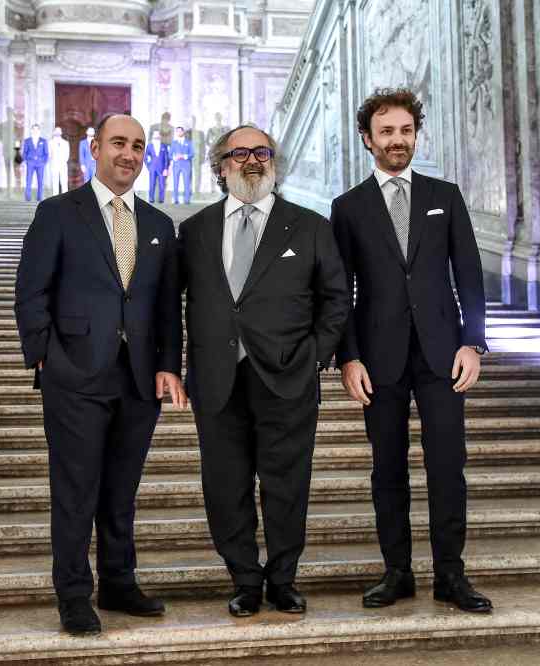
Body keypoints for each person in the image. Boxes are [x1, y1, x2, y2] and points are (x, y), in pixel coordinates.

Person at [14, 114, 186, 636]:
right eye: (118, 143)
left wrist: (167, 366)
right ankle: (72, 594)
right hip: (76, 375)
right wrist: (43, 354)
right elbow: (31, 290)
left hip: (137, 380)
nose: (129, 154)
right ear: (94, 148)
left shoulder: (159, 225)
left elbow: (165, 307)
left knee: (121, 489)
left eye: (137, 146)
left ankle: (118, 581)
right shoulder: (58, 213)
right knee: (75, 489)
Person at [330, 87, 492, 613]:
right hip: (380, 359)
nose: (397, 141)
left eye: (405, 131)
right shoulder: (347, 207)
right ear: (367, 139)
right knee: (388, 468)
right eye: (386, 132)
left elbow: (467, 271)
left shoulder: (444, 195)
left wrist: (474, 341)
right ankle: (397, 571)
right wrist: (348, 356)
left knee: (448, 465)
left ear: (415, 134)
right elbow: (341, 291)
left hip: (443, 355)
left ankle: (451, 574)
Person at [178, 125, 349, 618]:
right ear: (221, 165)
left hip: (287, 377)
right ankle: (244, 581)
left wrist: (315, 354)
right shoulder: (195, 231)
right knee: (225, 486)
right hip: (217, 379)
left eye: (261, 152)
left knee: (287, 485)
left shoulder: (311, 226)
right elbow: (171, 304)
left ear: (273, 161)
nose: (251, 161)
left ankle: (283, 580)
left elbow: (335, 298)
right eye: (239, 154)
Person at [22, 124, 48, 201]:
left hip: (40, 164)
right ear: (31, 130)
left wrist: (43, 162)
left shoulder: (43, 141)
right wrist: (27, 161)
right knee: (28, 181)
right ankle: (27, 198)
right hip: (30, 163)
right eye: (34, 129)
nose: (35, 131)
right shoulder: (27, 141)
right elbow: (24, 153)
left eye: (37, 129)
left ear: (39, 131)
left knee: (40, 181)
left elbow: (46, 153)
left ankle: (39, 198)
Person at [143, 130, 170, 204]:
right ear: (153, 136)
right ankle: (151, 199)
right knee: (152, 183)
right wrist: (149, 166)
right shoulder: (149, 146)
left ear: (160, 136)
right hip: (152, 168)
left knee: (162, 184)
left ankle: (161, 199)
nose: (156, 136)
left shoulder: (164, 146)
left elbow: (166, 158)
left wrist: (166, 169)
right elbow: (145, 157)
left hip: (161, 168)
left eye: (158, 134)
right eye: (155, 134)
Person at [170, 126, 195, 204]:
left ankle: (187, 200)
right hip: (176, 165)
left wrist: (184, 156)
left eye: (180, 131)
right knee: (175, 183)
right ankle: (175, 200)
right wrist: (175, 157)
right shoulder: (174, 143)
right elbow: (170, 155)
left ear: (183, 132)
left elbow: (192, 154)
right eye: (177, 131)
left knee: (187, 182)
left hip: (186, 165)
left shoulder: (188, 142)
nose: (179, 133)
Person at [48, 126, 71, 194]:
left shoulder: (65, 142)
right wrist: (52, 161)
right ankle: (55, 199)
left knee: (64, 182)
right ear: (54, 132)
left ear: (61, 132)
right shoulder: (50, 142)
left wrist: (63, 161)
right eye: (56, 131)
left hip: (63, 165)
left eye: (59, 131)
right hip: (54, 164)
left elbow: (67, 154)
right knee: (55, 183)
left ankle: (65, 199)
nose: (58, 132)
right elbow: (49, 154)